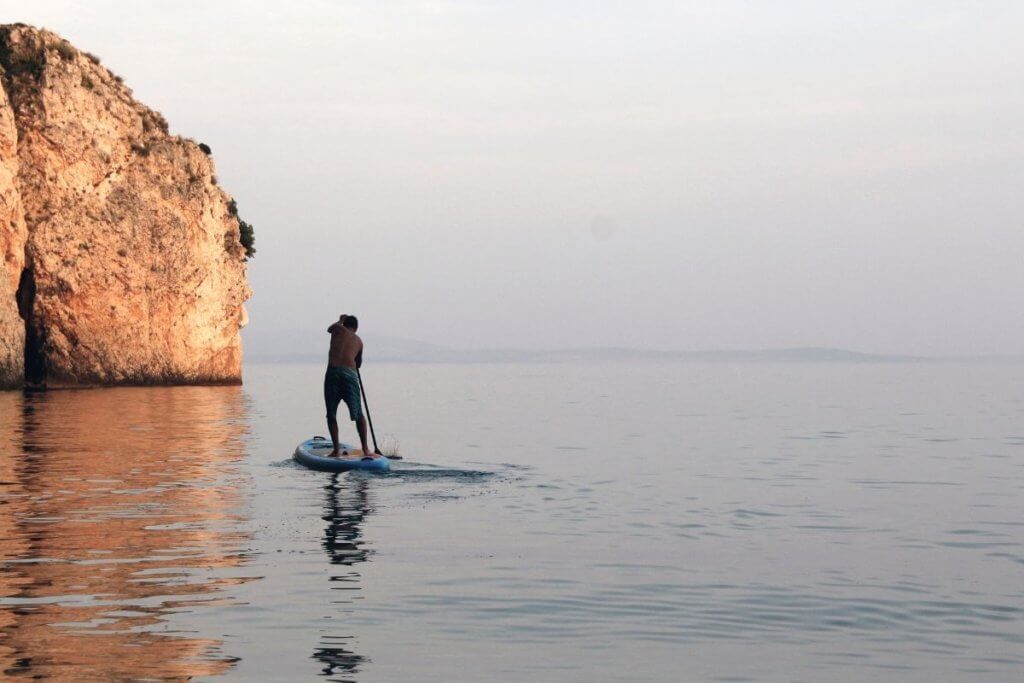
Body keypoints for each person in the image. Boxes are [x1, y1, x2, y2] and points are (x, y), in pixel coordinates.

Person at [323, 314, 378, 458]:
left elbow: (329, 328)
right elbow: (358, 363)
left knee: (331, 414)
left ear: (344, 324)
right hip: (350, 374)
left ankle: (336, 450)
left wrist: (340, 320)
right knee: (358, 414)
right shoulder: (359, 341)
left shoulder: (338, 330)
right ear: (356, 328)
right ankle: (366, 449)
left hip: (333, 372)